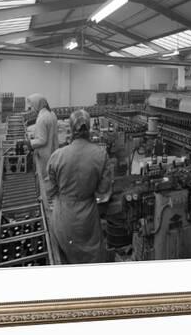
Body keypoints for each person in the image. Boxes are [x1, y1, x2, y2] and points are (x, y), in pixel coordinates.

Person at [47, 109, 112, 264]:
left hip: (64, 217)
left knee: (66, 259)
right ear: (88, 128)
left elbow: (51, 189)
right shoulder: (100, 154)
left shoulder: (57, 156)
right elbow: (103, 191)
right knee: (91, 259)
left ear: (70, 128)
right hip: (87, 219)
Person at [25, 93, 59, 210]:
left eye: (32, 106)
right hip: (54, 150)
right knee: (53, 176)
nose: (32, 109)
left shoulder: (42, 118)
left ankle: (47, 203)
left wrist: (29, 143)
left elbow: (42, 140)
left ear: (37, 105)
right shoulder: (51, 114)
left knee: (45, 177)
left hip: (45, 154)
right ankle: (52, 200)